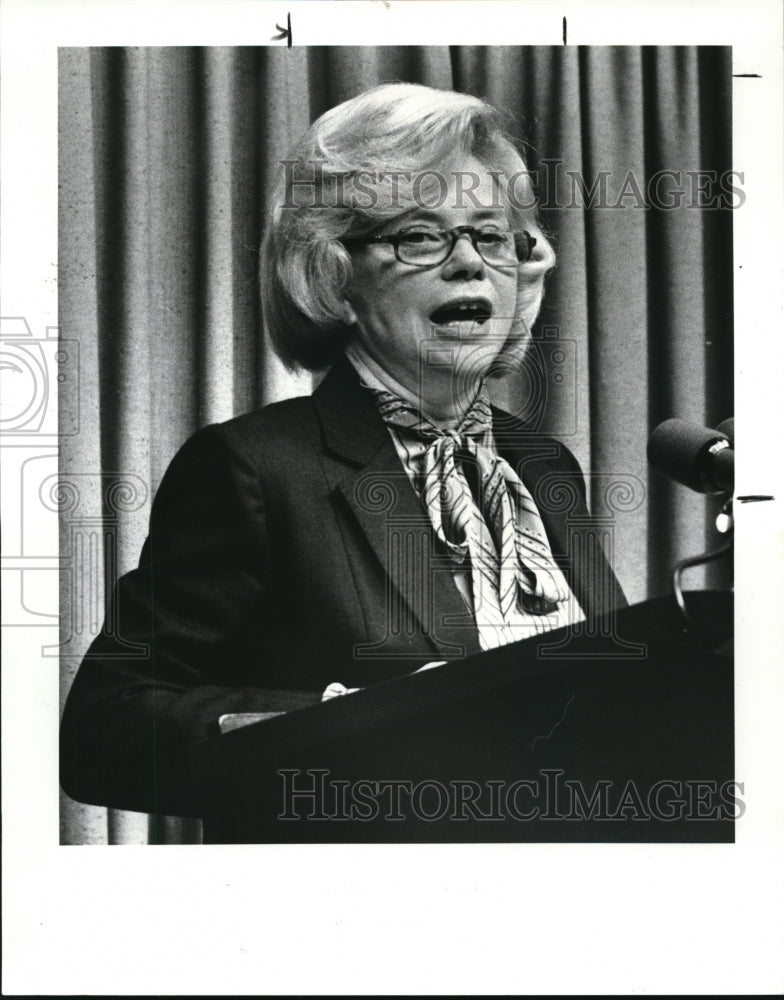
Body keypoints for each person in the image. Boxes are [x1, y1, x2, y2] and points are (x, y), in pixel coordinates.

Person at [60, 82, 625, 819]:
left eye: (491, 236)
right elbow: (106, 730)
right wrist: (338, 728)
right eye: (420, 235)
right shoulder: (257, 468)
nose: (470, 265)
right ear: (335, 273)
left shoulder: (542, 464)